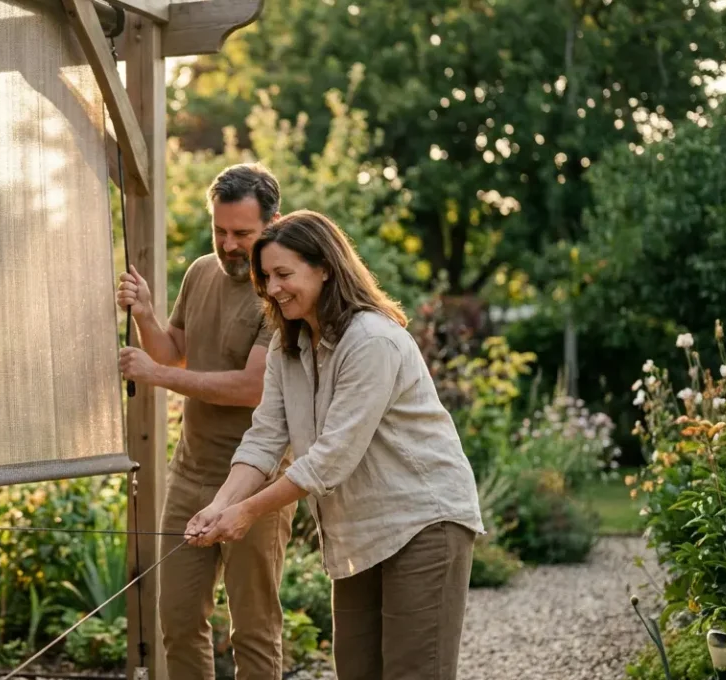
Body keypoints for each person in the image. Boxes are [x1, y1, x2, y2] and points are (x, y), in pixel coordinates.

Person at [186, 210, 485, 680]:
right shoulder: (289, 347)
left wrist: (245, 513)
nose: (274, 287)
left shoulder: (371, 341)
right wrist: (219, 505)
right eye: (267, 277)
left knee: (413, 672)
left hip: (423, 522)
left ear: (325, 267)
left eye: (285, 274)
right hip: (360, 534)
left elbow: (331, 459)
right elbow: (264, 438)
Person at [115, 163, 292, 679]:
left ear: (273, 224)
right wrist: (147, 314)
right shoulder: (199, 273)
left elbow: (251, 387)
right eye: (220, 231)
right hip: (190, 475)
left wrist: (157, 376)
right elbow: (174, 353)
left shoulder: (280, 293)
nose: (229, 244)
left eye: (243, 234)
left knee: (253, 630)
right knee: (177, 619)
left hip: (258, 483)